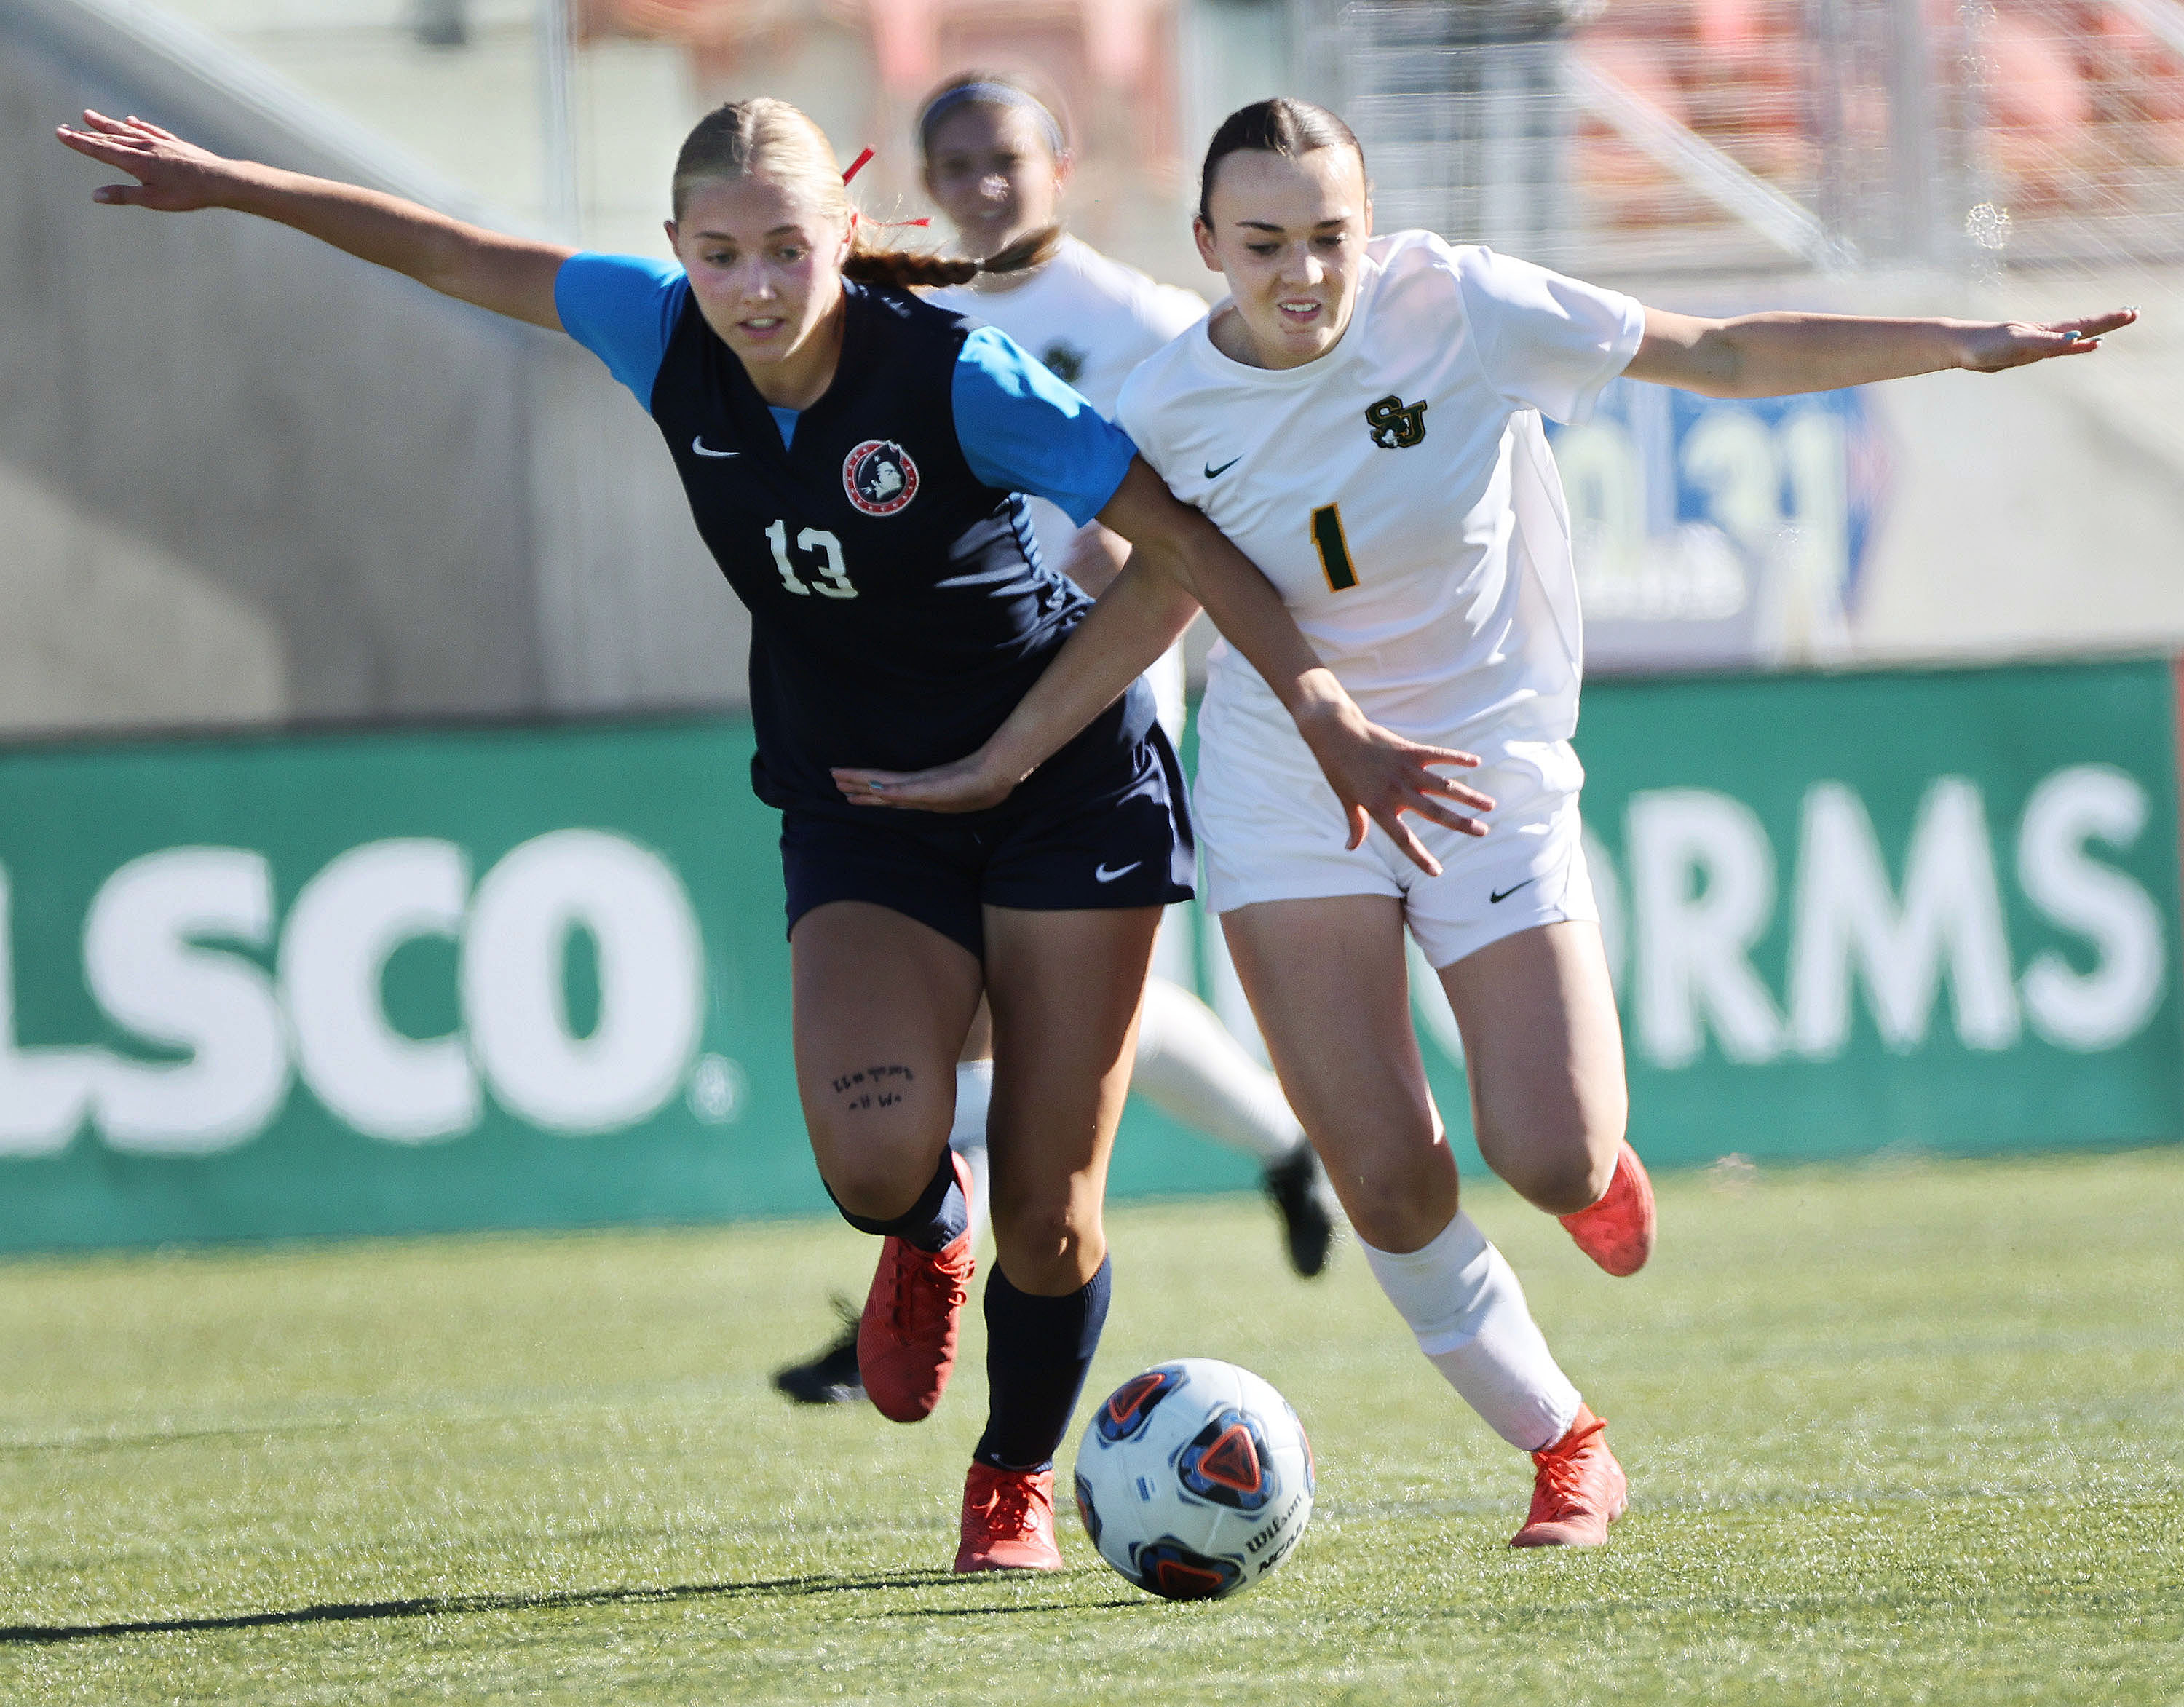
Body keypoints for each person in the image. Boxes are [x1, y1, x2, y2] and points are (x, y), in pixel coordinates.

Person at [51, 98, 1436, 1574]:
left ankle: (1013, 1481)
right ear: (675, 255)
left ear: (847, 235)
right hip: (864, 809)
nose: (758, 286)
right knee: (869, 1161)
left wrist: (1323, 711)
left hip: (1064, 790)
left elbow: (1184, 541)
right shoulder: (650, 330)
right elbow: (450, 253)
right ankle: (922, 1230)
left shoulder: (965, 379)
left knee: (1052, 1218)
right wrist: (228, 185)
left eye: (789, 248)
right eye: (721, 256)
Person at [825, 98, 2133, 1548]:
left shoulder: (1466, 308)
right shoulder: (1165, 402)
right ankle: (1565, 1443)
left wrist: (1952, 346)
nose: (1303, 272)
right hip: (1289, 789)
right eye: (1263, 244)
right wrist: (997, 752)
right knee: (1385, 1179)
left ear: (1370, 231)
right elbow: (1140, 601)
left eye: (1330, 236)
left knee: (1554, 1155)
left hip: (1486, 773)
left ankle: (1589, 1167)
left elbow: (1725, 353)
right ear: (1206, 245)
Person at [772, 72, 1340, 1408]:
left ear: (1061, 165)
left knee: (1045, 1011)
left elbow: (1217, 492)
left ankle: (922, 1286)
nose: (979, 186)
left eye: (1003, 161)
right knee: (1021, 1007)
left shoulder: (1142, 323)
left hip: (1102, 692)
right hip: (936, 698)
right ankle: (1268, 1152)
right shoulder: (893, 316)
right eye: (952, 163)